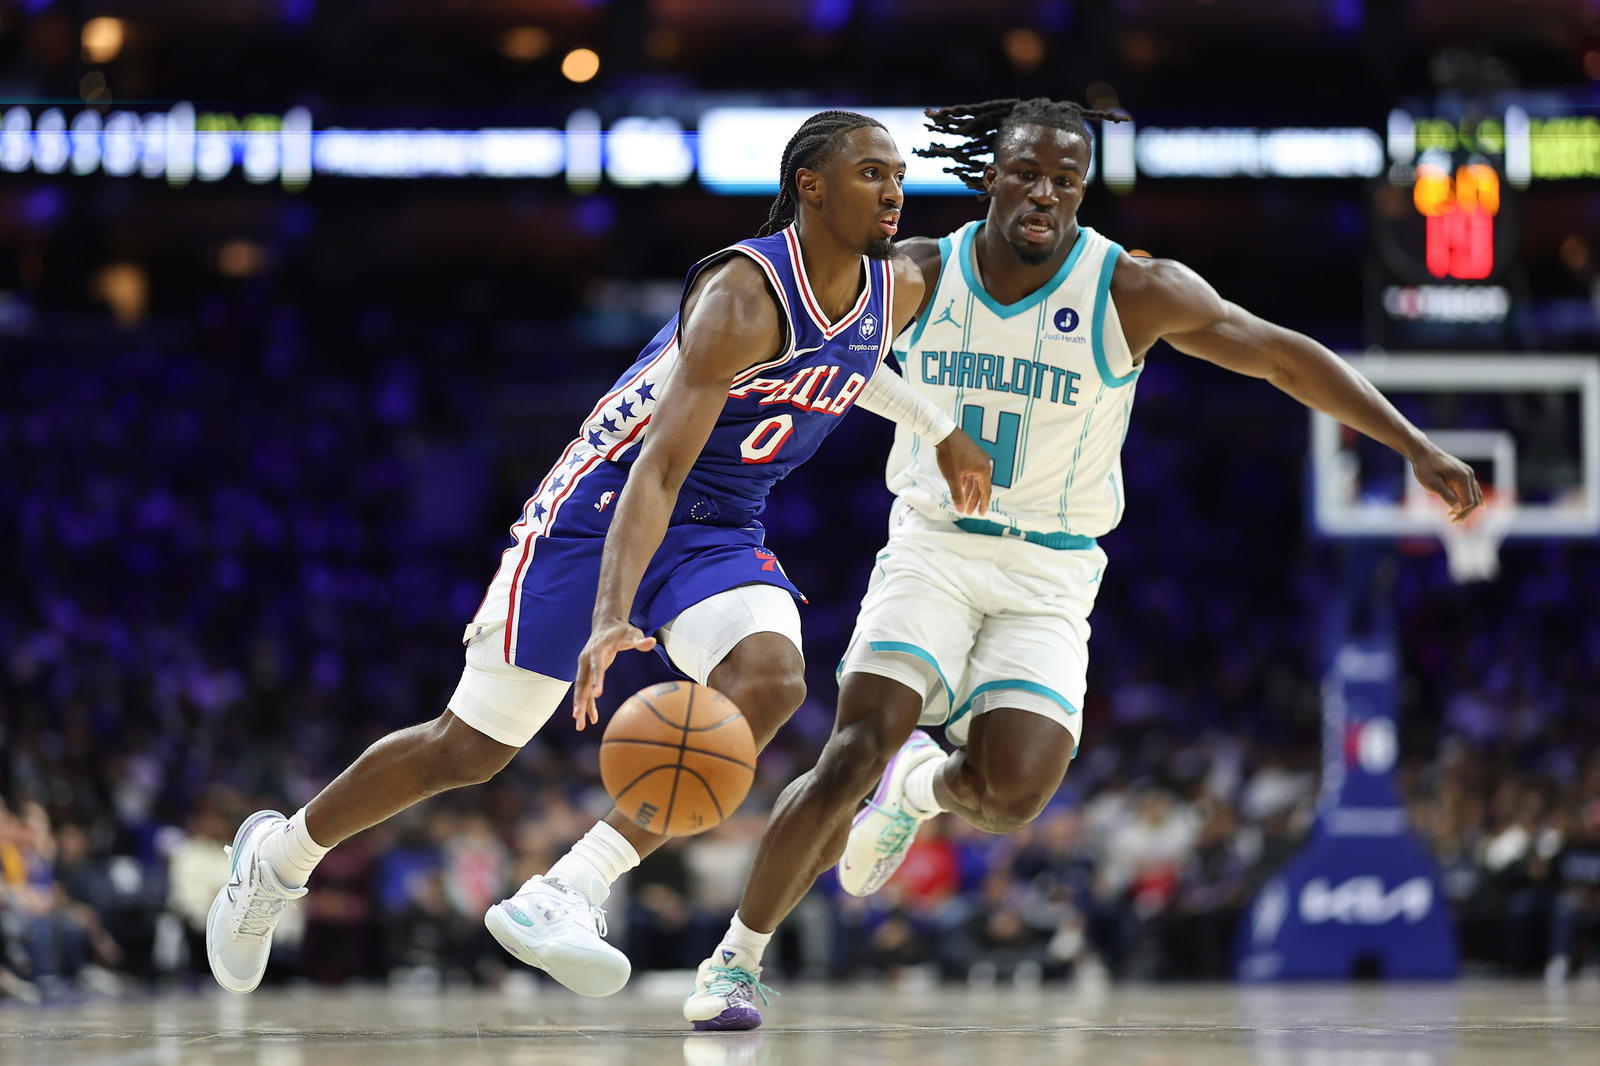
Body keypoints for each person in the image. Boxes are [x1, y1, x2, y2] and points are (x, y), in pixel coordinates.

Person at [679, 96, 1484, 1029]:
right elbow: (804, 325)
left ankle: (920, 789)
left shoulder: (1131, 288)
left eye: (1066, 180)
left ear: (1083, 191)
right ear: (992, 173)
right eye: (1025, 171)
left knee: (1011, 790)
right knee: (855, 745)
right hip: (935, 547)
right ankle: (735, 960)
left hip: (1053, 574)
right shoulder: (919, 275)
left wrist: (1412, 443)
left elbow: (1278, 358)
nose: (1043, 194)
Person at [204, 110, 993, 998]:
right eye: (868, 173)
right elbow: (655, 471)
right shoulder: (741, 296)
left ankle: (567, 891)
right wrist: (612, 614)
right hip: (603, 505)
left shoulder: (897, 286)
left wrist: (943, 426)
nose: (891, 191)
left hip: (719, 525)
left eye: (896, 174)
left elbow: (848, 358)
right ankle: (278, 856)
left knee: (771, 682)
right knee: (468, 748)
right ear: (810, 186)